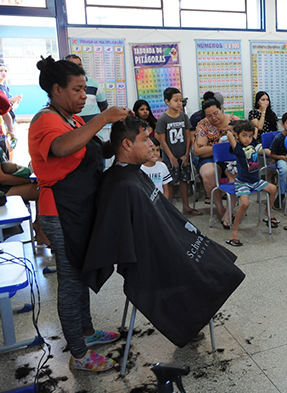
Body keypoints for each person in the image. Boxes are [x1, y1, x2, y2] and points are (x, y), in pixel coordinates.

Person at [82, 116, 245, 347]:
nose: (152, 144)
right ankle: (189, 320)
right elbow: (121, 240)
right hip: (155, 258)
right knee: (211, 270)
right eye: (145, 139)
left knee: (218, 261)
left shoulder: (132, 174)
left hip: (167, 243)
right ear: (127, 145)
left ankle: (191, 319)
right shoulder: (122, 184)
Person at [28, 56, 130, 372]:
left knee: (81, 274)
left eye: (85, 89)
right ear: (56, 89)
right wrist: (101, 119)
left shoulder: (72, 120)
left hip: (80, 210)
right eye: (76, 89)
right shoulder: (46, 120)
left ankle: (86, 332)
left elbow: (99, 151)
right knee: (71, 282)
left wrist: (120, 132)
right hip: (61, 212)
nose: (82, 95)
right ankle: (79, 355)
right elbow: (61, 149)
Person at [224, 120, 279, 247]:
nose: (248, 139)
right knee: (245, 204)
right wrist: (232, 130)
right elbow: (230, 136)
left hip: (256, 181)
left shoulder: (253, 143)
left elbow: (255, 129)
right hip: (243, 182)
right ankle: (235, 231)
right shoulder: (237, 149)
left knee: (273, 189)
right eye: (244, 136)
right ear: (237, 136)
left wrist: (249, 130)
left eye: (249, 136)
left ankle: (268, 212)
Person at [194, 97, 240, 227]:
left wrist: (212, 148)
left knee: (235, 174)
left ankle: (229, 211)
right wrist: (219, 148)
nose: (213, 118)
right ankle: (220, 208)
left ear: (221, 109)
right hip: (210, 158)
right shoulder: (203, 125)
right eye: (209, 116)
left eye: (216, 113)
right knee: (208, 173)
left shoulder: (235, 122)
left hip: (231, 158)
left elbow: (243, 143)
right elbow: (198, 151)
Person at [155, 87, 201, 216]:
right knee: (169, 182)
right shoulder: (163, 119)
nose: (179, 103)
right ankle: (169, 209)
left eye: (180, 100)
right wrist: (171, 157)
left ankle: (186, 207)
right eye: (176, 100)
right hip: (169, 157)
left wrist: (186, 154)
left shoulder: (184, 116)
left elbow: (188, 137)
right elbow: (162, 141)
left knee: (184, 180)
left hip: (183, 155)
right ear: (167, 101)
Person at [64, 54, 108, 123]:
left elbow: (103, 106)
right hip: (74, 129)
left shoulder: (94, 84)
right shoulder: (63, 86)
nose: (77, 68)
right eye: (73, 65)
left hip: (95, 129)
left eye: (79, 65)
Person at [269, 112, 287, 209]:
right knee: (285, 170)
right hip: (282, 159)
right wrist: (282, 157)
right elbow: (272, 154)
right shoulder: (279, 137)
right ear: (282, 125)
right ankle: (281, 194)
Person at [0, 63, 20, 159]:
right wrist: (11, 100)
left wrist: (15, 103)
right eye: (1, 70)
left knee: (11, 146)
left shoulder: (5, 87)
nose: (3, 73)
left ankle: (10, 165)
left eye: (5, 71)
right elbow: (4, 106)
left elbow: (7, 108)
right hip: (3, 123)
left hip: (11, 119)